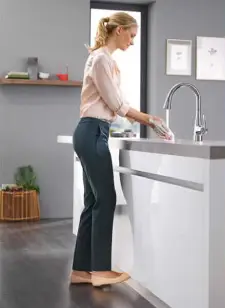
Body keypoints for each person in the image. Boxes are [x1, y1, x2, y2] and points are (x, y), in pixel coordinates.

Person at [69, 12, 172, 287]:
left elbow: (118, 103)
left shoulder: (105, 60)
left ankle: (81, 270)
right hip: (93, 132)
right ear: (119, 31)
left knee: (93, 202)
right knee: (106, 200)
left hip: (92, 132)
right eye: (132, 35)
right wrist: (150, 120)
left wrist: (147, 119)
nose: (133, 41)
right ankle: (101, 270)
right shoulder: (102, 59)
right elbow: (117, 104)